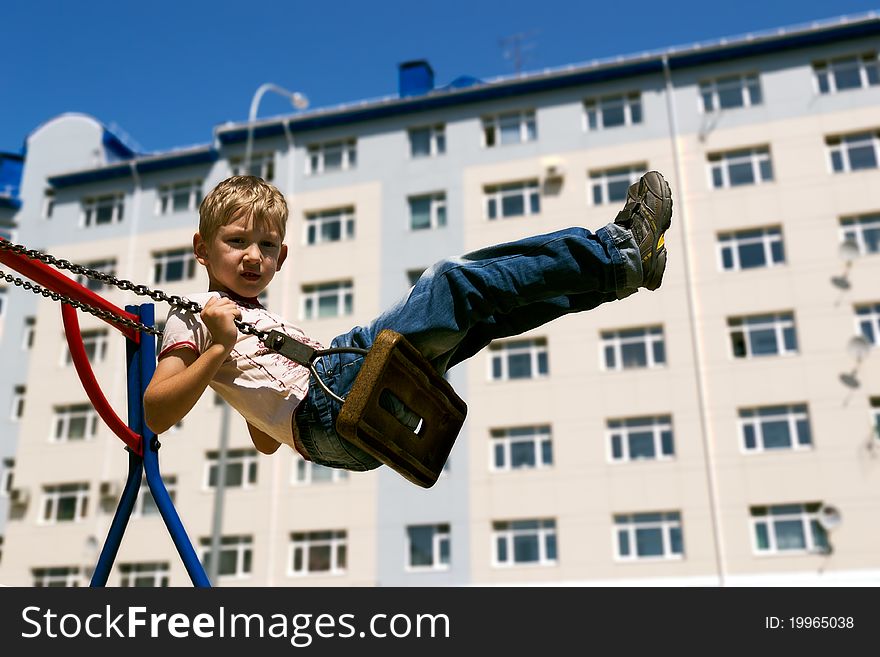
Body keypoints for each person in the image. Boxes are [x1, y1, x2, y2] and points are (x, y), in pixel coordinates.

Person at [143, 172, 672, 474]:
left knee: (480, 314)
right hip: (329, 406)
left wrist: (251, 397)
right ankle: (618, 252)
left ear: (282, 259)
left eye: (267, 246)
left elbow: (266, 439)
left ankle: (620, 275)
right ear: (202, 250)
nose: (253, 256)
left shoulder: (259, 321)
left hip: (339, 417)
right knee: (449, 285)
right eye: (236, 242)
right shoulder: (194, 313)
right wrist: (217, 351)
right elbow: (156, 412)